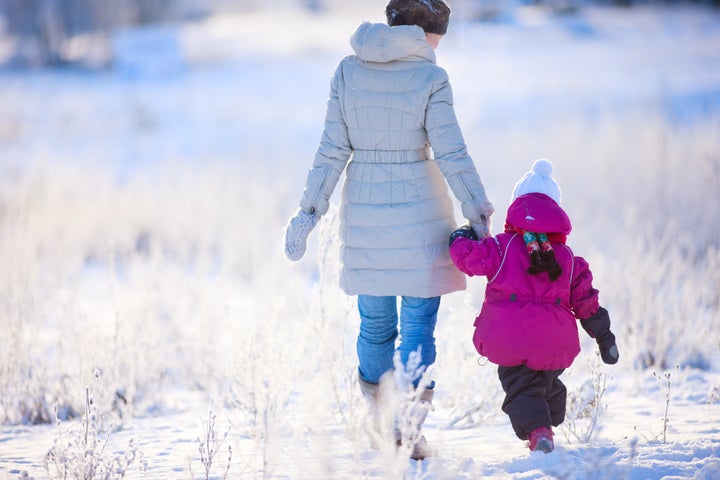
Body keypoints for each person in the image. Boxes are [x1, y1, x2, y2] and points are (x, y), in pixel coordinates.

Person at [284, 0, 494, 459]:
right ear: (425, 31)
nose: (438, 45)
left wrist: (309, 212)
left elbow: (331, 150)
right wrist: (478, 212)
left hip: (365, 216)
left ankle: (383, 422)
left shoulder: (347, 71)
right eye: (439, 35)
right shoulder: (431, 77)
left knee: (375, 326)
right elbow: (452, 153)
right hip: (423, 218)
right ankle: (405, 429)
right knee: (418, 323)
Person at [448, 159, 619, 453]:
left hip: (511, 341)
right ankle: (551, 408)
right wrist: (605, 337)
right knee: (544, 375)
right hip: (555, 344)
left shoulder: (501, 247)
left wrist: (459, 236)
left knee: (520, 385)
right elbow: (587, 303)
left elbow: (467, 257)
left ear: (517, 208)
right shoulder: (568, 259)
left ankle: (540, 432)